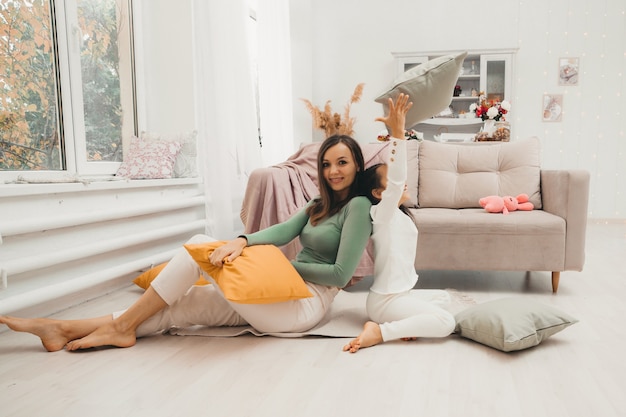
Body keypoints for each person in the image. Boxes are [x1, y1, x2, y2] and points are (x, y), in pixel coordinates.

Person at [0, 134, 372, 352]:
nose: (333, 171)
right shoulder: (317, 204)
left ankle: (119, 329)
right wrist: (242, 240)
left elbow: (340, 274)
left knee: (200, 245)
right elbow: (281, 232)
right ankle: (63, 328)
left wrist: (282, 266)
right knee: (180, 305)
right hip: (280, 289)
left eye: (341, 163)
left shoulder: (357, 206)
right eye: (326, 164)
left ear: (356, 165)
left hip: (305, 304)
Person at [343, 93, 455, 353]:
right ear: (378, 194)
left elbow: (394, 184)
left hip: (400, 295)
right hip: (385, 301)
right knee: (446, 322)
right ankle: (381, 332)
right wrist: (398, 133)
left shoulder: (398, 214)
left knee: (444, 298)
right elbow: (396, 181)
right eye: (391, 181)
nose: (400, 183)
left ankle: (409, 324)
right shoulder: (380, 215)